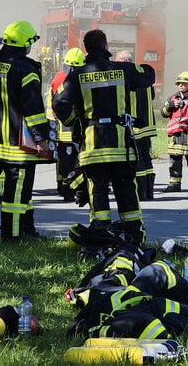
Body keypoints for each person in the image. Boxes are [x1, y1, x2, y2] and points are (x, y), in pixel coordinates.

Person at [53, 30, 154, 246]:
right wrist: (131, 69)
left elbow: (58, 102)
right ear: (106, 46)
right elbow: (149, 74)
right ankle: (134, 238)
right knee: (126, 191)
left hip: (93, 148)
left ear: (86, 48)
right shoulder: (122, 69)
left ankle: (101, 236)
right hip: (120, 147)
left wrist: (76, 121)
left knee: (97, 192)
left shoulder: (77, 75)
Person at [0, 20, 52, 242]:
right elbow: (34, 109)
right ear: (25, 44)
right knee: (16, 196)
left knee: (24, 192)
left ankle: (27, 229)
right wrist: (42, 139)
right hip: (18, 145)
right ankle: (13, 236)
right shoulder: (26, 70)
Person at [114, 51, 157, 201]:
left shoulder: (127, 76)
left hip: (134, 125)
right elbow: (152, 96)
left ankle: (141, 193)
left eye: (118, 61)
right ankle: (149, 192)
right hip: (148, 124)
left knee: (137, 159)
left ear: (126, 61)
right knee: (146, 158)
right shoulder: (144, 75)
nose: (116, 63)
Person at [48, 48, 85, 202]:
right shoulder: (69, 79)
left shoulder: (58, 77)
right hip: (69, 127)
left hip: (58, 127)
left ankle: (61, 185)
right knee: (71, 160)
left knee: (63, 159)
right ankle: (68, 189)